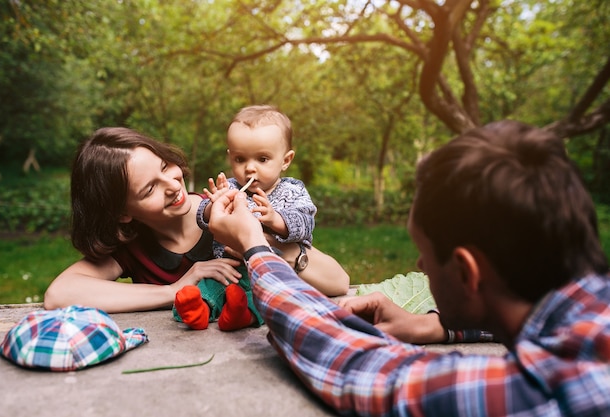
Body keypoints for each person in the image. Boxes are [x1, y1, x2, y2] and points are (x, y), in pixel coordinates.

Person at [205, 120, 610, 416]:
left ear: (468, 273)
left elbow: (355, 366)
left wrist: (255, 246)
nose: (419, 265)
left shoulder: (539, 394)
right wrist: (437, 326)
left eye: (424, 256)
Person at [42, 127, 330, 331]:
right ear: (123, 214)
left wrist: (258, 242)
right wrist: (175, 289)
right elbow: (60, 294)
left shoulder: (225, 213)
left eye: (165, 166)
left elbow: (339, 281)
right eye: (150, 188)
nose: (172, 184)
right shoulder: (134, 246)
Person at [196, 104, 349, 296]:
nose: (250, 168)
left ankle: (245, 312)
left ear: (285, 160)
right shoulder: (229, 187)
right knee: (208, 289)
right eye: (240, 159)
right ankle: (198, 306)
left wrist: (276, 219)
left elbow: (305, 223)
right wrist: (213, 206)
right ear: (230, 157)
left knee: (272, 295)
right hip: (231, 269)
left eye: (262, 159)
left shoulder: (291, 190)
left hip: (278, 270)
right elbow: (202, 218)